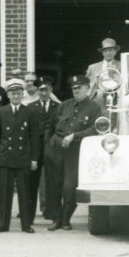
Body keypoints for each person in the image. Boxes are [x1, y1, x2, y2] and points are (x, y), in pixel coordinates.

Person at [45, 75, 103, 230]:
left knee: (70, 186)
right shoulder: (64, 105)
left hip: (76, 151)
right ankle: (56, 219)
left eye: (79, 88)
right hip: (56, 150)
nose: (76, 91)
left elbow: (96, 128)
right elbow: (49, 125)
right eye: (74, 88)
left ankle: (65, 219)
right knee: (54, 186)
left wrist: (74, 136)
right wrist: (48, 144)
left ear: (87, 89)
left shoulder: (94, 108)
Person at [0, 78, 40, 233]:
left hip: (23, 157)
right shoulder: (0, 112)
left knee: (24, 193)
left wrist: (34, 159)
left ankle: (26, 224)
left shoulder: (29, 112)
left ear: (22, 94)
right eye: (13, 94)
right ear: (8, 95)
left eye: (19, 93)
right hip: (5, 157)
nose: (16, 96)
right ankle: (4, 224)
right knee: (5, 192)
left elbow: (34, 137)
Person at [30, 77, 60, 221]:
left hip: (51, 147)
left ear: (51, 90)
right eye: (41, 90)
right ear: (37, 91)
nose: (43, 93)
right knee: (32, 179)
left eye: (46, 90)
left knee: (51, 180)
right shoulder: (30, 107)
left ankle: (51, 210)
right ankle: (31, 212)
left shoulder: (58, 107)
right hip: (35, 149)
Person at [86, 38, 121, 109]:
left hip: (117, 99)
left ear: (115, 52)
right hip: (97, 101)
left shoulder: (122, 65)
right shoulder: (92, 67)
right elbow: (86, 86)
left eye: (111, 50)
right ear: (102, 52)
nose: (108, 52)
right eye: (106, 50)